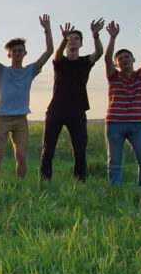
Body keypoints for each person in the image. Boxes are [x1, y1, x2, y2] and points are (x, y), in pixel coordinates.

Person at [0, 15, 53, 179]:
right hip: (2, 117)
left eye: (20, 50)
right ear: (9, 55)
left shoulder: (30, 70)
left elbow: (49, 52)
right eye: (14, 51)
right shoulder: (2, 70)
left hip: (20, 118)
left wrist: (47, 30)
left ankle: (20, 185)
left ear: (25, 53)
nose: (17, 53)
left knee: (21, 155)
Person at [40, 19, 105, 182]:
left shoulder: (85, 62)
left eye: (76, 38)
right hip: (55, 110)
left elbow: (99, 53)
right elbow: (56, 53)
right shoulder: (60, 62)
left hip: (77, 111)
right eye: (70, 38)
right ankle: (44, 181)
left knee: (80, 150)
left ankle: (79, 182)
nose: (73, 40)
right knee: (48, 150)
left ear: (81, 44)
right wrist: (63, 38)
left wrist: (95, 36)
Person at [104, 22, 141, 186]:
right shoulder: (114, 77)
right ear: (116, 64)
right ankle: (116, 190)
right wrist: (112, 37)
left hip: (138, 124)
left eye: (127, 57)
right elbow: (107, 59)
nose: (124, 60)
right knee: (114, 161)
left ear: (133, 59)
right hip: (115, 123)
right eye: (120, 59)